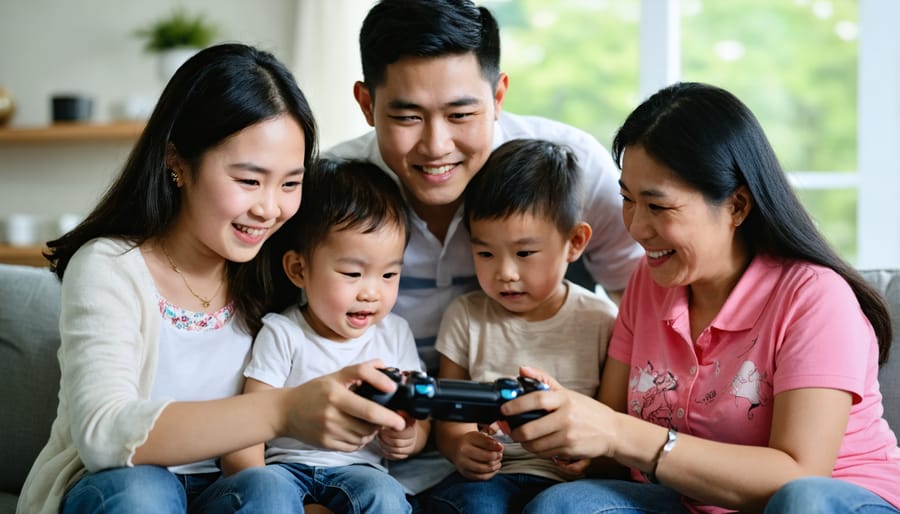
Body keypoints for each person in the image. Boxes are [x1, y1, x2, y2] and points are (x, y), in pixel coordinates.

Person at [17, 43, 410, 514]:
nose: (269, 208)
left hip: (237, 491)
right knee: (146, 490)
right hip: (120, 487)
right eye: (249, 180)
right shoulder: (110, 267)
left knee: (267, 489)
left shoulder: (275, 270)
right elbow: (104, 431)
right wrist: (282, 411)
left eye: (290, 183)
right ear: (176, 162)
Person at [498, 82, 900, 513]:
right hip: (691, 501)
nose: (635, 227)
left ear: (737, 206)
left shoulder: (815, 298)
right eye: (627, 200)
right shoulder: (648, 284)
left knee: (803, 500)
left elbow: (800, 473)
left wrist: (618, 432)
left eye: (658, 206)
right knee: (568, 505)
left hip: (831, 501)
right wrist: (569, 427)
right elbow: (612, 440)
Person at [326, 0, 643, 377]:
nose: (436, 145)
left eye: (460, 115)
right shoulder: (330, 188)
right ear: (366, 104)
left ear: (497, 97)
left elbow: (639, 304)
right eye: (407, 117)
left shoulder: (575, 170)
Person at [221, 158, 430, 513]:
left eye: (389, 275)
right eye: (352, 273)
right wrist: (256, 482)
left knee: (387, 496)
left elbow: (420, 418)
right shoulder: (284, 333)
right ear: (298, 269)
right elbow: (248, 427)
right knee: (268, 491)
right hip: (286, 470)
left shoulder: (394, 333)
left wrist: (408, 439)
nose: (371, 293)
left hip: (360, 470)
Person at [426, 139, 619, 514]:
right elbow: (449, 417)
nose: (505, 273)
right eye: (485, 253)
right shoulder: (466, 316)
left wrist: (590, 460)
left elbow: (614, 427)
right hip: (489, 479)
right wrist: (462, 446)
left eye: (525, 253)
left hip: (569, 484)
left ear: (574, 242)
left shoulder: (601, 320)